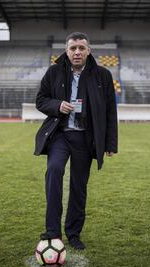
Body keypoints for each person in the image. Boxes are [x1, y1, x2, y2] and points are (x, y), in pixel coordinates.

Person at [34, 32, 118, 250]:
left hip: (85, 137)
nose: (77, 52)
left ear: (88, 50)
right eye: (73, 48)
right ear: (66, 50)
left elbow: (110, 111)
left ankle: (73, 233)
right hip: (60, 134)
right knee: (54, 171)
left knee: (79, 187)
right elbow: (41, 100)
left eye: (81, 48)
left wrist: (110, 144)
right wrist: (57, 105)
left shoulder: (102, 76)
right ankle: (52, 232)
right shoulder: (54, 72)